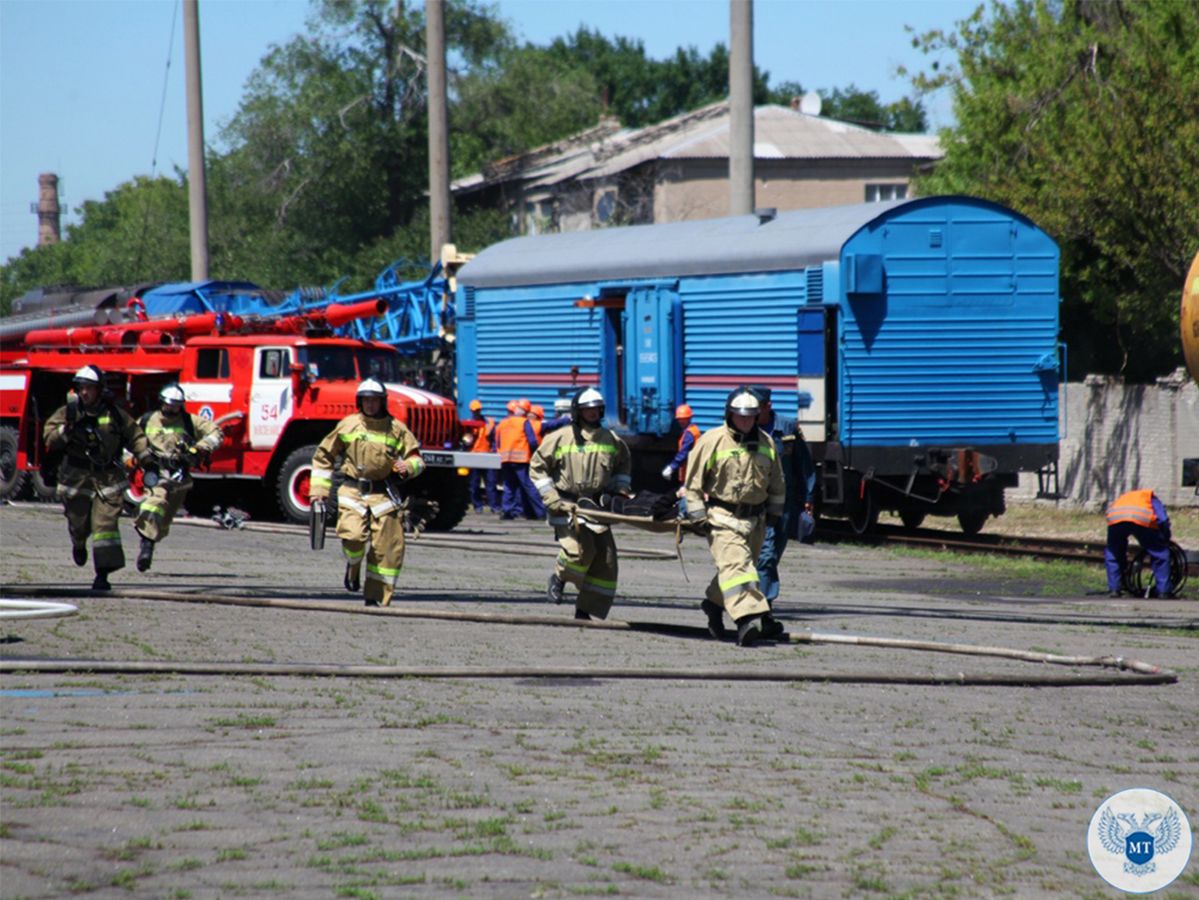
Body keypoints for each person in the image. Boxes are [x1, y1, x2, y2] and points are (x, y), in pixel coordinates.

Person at [683, 387, 787, 646]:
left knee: (737, 570)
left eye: (751, 416)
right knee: (739, 569)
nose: (746, 421)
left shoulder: (766, 442)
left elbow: (776, 482)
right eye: (741, 416)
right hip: (722, 517)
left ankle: (712, 604)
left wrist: (774, 514)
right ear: (729, 415)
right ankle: (747, 622)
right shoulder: (712, 440)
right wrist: (697, 516)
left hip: (756, 521)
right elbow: (693, 483)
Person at [308, 378, 425, 607]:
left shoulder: (397, 429)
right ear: (359, 402)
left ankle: (376, 597)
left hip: (383, 494)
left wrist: (409, 467)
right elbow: (323, 456)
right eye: (366, 400)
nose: (370, 404)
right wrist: (319, 491)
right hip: (352, 491)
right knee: (352, 537)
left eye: (374, 400)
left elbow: (417, 459)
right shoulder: (348, 425)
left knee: (388, 549)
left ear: (383, 402)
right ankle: (353, 568)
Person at [42, 365, 157, 590]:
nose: (85, 392)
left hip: (108, 477)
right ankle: (78, 543)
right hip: (76, 476)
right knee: (78, 523)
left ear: (99, 389)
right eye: (81, 388)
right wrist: (68, 430)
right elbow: (49, 438)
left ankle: (102, 574)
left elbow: (136, 437)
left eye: (89, 388)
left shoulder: (114, 414)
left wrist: (147, 460)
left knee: (105, 526)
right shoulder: (69, 413)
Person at [530, 387, 632, 620]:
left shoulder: (611, 439)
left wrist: (620, 491)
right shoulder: (560, 437)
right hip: (566, 506)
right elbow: (537, 467)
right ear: (578, 412)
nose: (593, 413)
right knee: (578, 554)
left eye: (596, 409)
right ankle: (559, 577)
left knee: (605, 562)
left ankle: (585, 610)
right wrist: (551, 497)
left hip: (597, 509)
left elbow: (623, 466)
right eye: (588, 410)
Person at [133, 383, 224, 571]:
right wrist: (129, 460)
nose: (173, 409)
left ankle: (151, 539)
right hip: (156, 473)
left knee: (164, 521)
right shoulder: (147, 420)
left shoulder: (190, 421)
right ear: (162, 403)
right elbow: (130, 440)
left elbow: (216, 432)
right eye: (170, 405)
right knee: (154, 504)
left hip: (180, 478)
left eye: (177, 405)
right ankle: (146, 548)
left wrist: (201, 448)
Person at [749, 386, 816, 606]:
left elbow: (804, 465)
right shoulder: (743, 427)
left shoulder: (787, 428)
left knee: (773, 553)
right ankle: (763, 606)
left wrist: (809, 497)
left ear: (768, 406)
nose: (751, 412)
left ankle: (755, 596)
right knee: (765, 554)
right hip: (754, 502)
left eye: (756, 407)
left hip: (784, 503)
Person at [1105, 489, 1173, 598]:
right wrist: (1164, 538)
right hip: (1141, 519)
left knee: (1114, 552)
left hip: (1115, 519)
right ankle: (1163, 591)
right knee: (1160, 554)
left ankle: (1114, 589)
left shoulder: (1125, 496)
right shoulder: (1151, 498)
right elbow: (1162, 519)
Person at [494, 397, 545, 520]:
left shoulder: (503, 423)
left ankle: (507, 512)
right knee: (529, 486)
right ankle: (541, 513)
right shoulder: (524, 422)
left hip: (505, 459)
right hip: (521, 460)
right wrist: (536, 453)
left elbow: (497, 441)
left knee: (509, 486)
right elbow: (532, 441)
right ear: (526, 412)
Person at [463, 399, 499, 514]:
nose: (477, 412)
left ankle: (494, 506)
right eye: (475, 411)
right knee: (474, 484)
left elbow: (494, 439)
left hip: (487, 456)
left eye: (478, 410)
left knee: (491, 484)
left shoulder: (489, 422)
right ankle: (477, 506)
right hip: (474, 456)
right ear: (471, 411)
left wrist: (494, 450)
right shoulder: (468, 424)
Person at [661, 404, 702, 484]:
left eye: (684, 419)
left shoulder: (689, 433)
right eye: (680, 419)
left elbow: (683, 453)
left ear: (689, 418)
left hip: (690, 473)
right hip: (692, 472)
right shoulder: (692, 430)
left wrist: (671, 467)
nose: (681, 421)